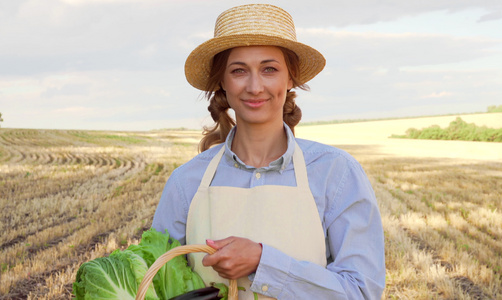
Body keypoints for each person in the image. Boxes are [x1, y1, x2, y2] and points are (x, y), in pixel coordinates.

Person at [152, 4, 385, 299]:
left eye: (269, 69)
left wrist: (264, 263)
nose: (255, 86)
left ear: (290, 78)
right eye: (239, 71)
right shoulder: (186, 183)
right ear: (222, 82)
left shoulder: (335, 174)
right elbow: (156, 281)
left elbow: (362, 291)